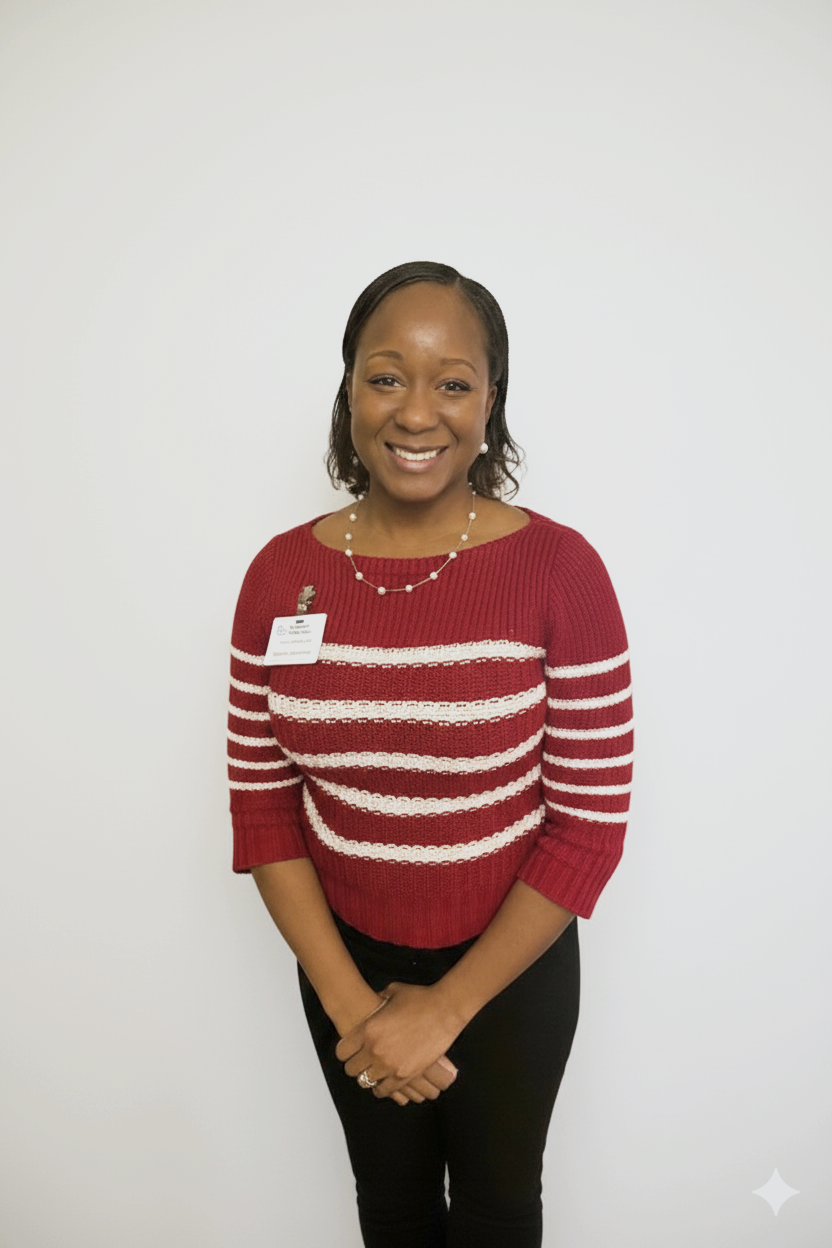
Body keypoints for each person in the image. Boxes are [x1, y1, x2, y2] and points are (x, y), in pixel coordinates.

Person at [227, 261, 633, 1248]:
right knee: (393, 1209)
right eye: (385, 377)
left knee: (496, 1213)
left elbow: (588, 826)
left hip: (509, 973)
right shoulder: (279, 575)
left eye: (452, 382)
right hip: (343, 966)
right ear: (348, 391)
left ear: (491, 399)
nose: (416, 413)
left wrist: (445, 1010)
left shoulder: (560, 570)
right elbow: (263, 806)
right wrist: (352, 1006)